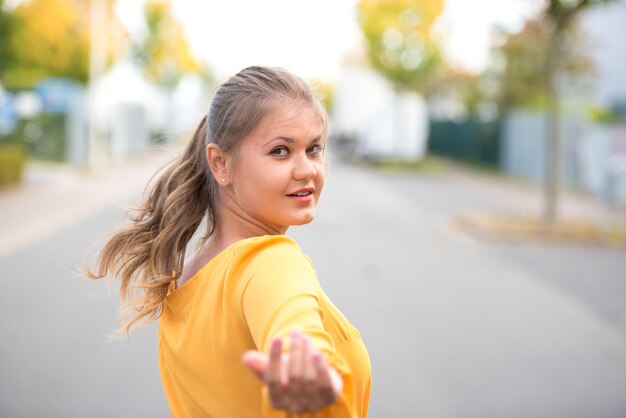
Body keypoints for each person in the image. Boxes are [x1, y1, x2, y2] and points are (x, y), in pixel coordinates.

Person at [88, 66, 371, 417]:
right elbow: (296, 332)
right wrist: (312, 391)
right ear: (220, 163)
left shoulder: (184, 282)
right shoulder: (270, 262)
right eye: (281, 151)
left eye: (313, 149)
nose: (307, 169)